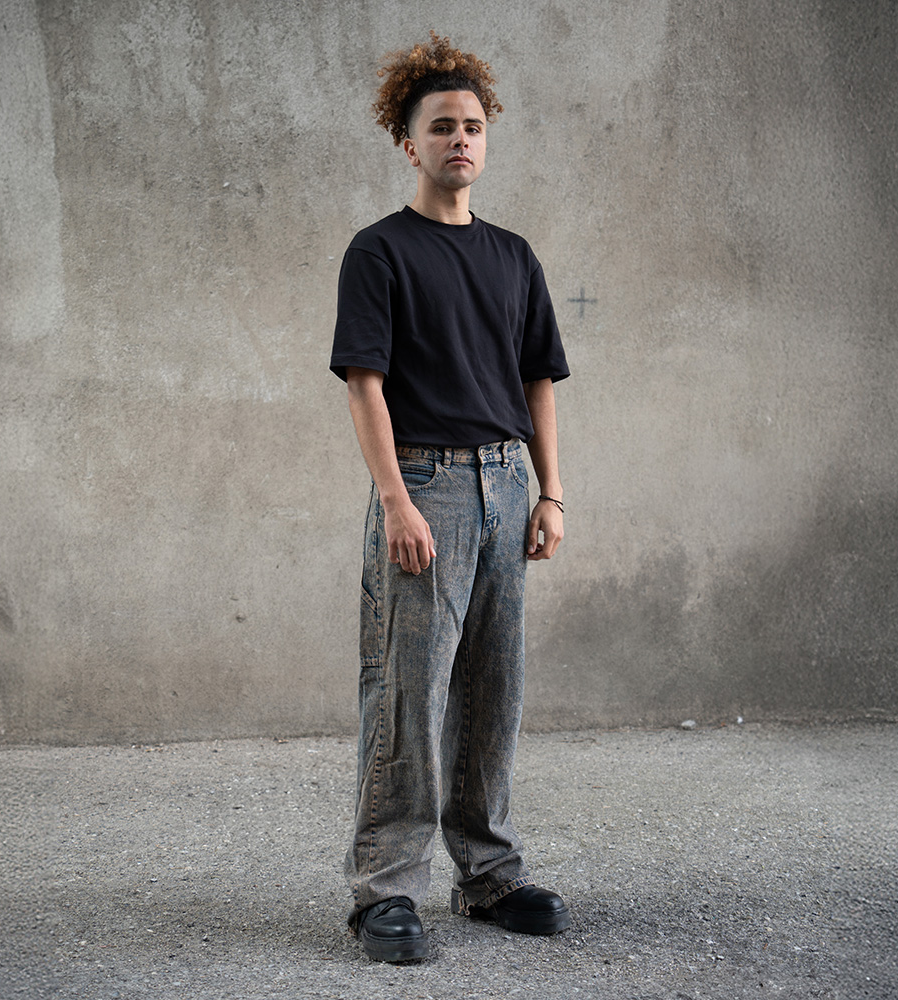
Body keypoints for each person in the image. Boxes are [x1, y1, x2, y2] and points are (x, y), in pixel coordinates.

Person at [330, 32, 570, 963]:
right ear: (409, 143)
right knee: (408, 692)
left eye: (472, 126)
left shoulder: (513, 255)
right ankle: (385, 891)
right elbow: (365, 385)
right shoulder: (380, 252)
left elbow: (538, 379)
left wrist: (551, 493)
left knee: (492, 692)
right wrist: (396, 501)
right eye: (441, 127)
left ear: (486, 139)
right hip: (426, 486)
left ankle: (490, 874)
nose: (459, 139)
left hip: (507, 483)